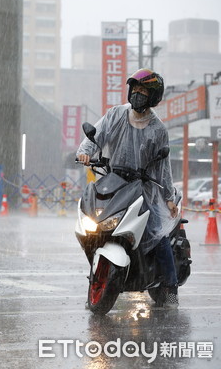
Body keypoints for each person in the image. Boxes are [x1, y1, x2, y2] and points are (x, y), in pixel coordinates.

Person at [76, 68, 179, 306]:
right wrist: (84, 153)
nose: (137, 94)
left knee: (158, 233)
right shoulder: (116, 115)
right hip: (114, 181)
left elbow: (164, 168)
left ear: (153, 96)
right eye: (135, 89)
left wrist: (169, 196)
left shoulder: (158, 129)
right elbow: (96, 136)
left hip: (145, 188)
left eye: (143, 90)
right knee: (95, 222)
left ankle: (171, 288)